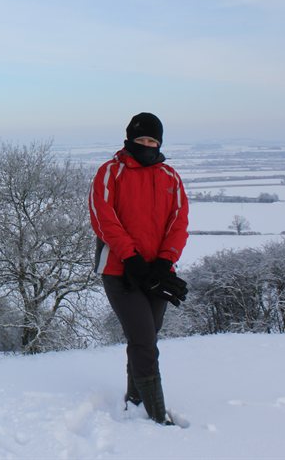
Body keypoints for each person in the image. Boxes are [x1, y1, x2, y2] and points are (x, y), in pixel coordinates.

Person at [89, 112, 189, 425]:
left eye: (152, 140)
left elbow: (179, 221)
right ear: (130, 139)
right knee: (144, 339)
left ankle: (135, 398)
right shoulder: (110, 172)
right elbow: (103, 218)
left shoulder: (170, 177)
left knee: (146, 336)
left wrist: (164, 261)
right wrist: (131, 259)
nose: (146, 145)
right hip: (121, 272)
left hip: (158, 273)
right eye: (141, 139)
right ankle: (156, 414)